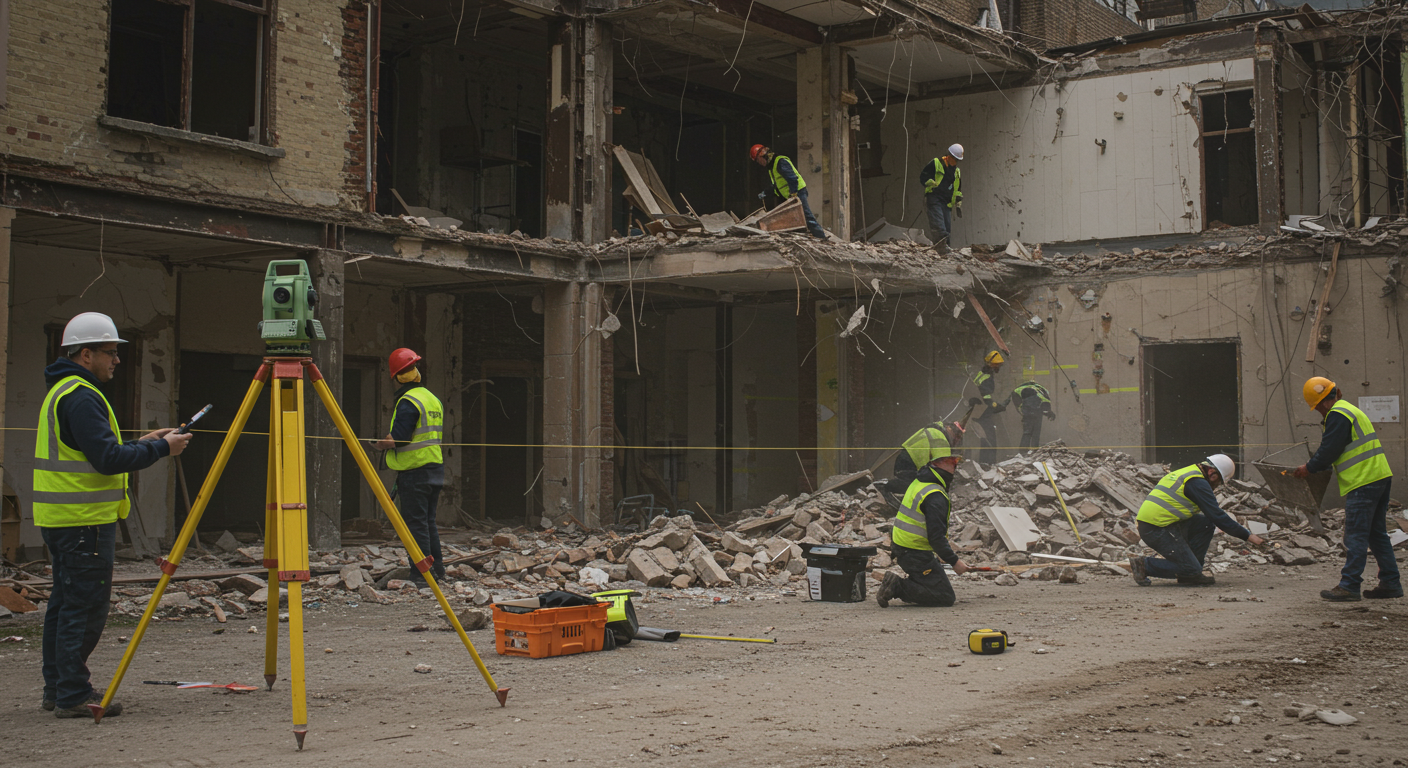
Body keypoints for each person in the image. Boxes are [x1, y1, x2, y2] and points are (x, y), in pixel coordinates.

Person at [35, 312, 192, 718]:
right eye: (110, 352)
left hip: (66, 521)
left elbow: (92, 448)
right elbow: (106, 459)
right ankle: (71, 694)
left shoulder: (65, 390)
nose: (117, 360)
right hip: (82, 522)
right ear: (85, 354)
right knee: (83, 609)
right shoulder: (82, 396)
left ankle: (59, 687)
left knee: (65, 604)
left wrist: (140, 442)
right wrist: (162, 450)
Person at [1293, 377, 1399, 601]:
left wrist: (1309, 468)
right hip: (1379, 476)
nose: (1320, 413)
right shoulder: (1349, 410)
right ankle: (1391, 583)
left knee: (1356, 535)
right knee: (1376, 534)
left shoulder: (1337, 415)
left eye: (1317, 409)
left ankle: (1349, 585)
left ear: (1322, 403)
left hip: (1363, 481)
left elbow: (1330, 449)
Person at [1127, 454, 1264, 586]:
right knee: (1191, 568)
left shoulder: (1191, 473)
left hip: (1162, 524)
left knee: (1205, 524)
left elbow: (1211, 517)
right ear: (1212, 472)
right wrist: (1249, 536)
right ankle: (1144, 565)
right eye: (1218, 481)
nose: (1216, 486)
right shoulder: (1198, 483)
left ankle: (1192, 572)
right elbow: (1217, 516)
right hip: (1156, 528)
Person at [373, 349, 447, 584]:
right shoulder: (431, 399)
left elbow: (401, 438)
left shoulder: (408, 401)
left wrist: (380, 444)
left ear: (395, 377)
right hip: (434, 469)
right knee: (428, 523)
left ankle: (422, 575)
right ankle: (438, 572)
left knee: (416, 525)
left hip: (415, 472)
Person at [875, 435, 970, 608]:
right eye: (951, 462)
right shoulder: (934, 495)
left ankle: (912, 582)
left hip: (907, 548)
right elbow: (936, 537)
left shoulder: (921, 481)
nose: (955, 468)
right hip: (913, 553)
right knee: (944, 596)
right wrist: (955, 562)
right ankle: (897, 587)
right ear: (937, 463)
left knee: (935, 584)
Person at [749, 143, 826, 239]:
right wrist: (766, 192)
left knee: (806, 216)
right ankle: (806, 237)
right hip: (789, 195)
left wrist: (793, 195)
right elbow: (777, 185)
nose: (759, 163)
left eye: (757, 160)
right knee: (793, 218)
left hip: (797, 192)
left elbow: (792, 178)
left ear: (761, 156)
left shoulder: (780, 162)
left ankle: (821, 238)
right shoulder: (771, 167)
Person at [920, 143, 963, 247]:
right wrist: (929, 182)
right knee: (939, 228)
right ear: (949, 156)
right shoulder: (936, 163)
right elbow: (923, 177)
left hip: (947, 203)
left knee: (947, 231)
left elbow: (957, 188)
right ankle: (941, 251)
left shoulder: (956, 171)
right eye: (954, 159)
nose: (955, 162)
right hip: (935, 199)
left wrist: (958, 200)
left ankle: (945, 252)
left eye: (957, 160)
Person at [969, 351, 1006, 466]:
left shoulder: (982, 373)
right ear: (991, 364)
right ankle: (988, 464)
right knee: (990, 437)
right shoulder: (988, 378)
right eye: (997, 364)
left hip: (977, 409)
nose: (998, 367)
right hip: (983, 411)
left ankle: (985, 462)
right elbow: (986, 396)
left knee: (984, 437)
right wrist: (996, 406)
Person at [1009, 380, 1054, 451]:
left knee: (1028, 431)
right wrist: (1049, 413)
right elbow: (1044, 407)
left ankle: (1024, 452)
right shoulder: (1044, 393)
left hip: (1020, 397)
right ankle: (1032, 450)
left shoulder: (1035, 389)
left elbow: (1021, 407)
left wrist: (1025, 415)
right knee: (1034, 431)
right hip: (1029, 400)